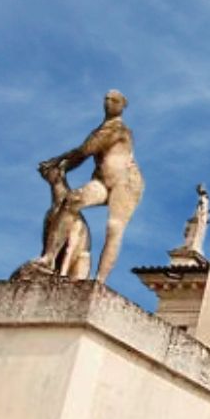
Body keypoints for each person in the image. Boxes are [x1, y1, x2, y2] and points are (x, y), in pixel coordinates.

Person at [33, 89, 144, 283]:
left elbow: (86, 150)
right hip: (102, 179)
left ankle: (99, 280)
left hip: (126, 183)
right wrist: (63, 167)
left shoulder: (119, 130)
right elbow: (81, 156)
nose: (108, 102)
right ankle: (49, 257)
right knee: (71, 200)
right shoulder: (101, 128)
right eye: (107, 99)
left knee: (113, 228)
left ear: (121, 106)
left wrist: (57, 160)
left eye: (114, 100)